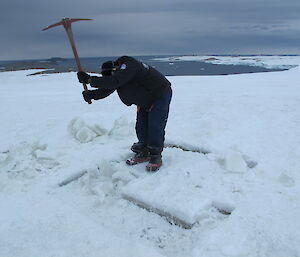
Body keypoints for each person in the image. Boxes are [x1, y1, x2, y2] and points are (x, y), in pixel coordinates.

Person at [77, 56, 172, 172]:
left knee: (155, 125)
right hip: (145, 97)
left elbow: (114, 81)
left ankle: (155, 155)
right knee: (141, 125)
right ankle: (144, 150)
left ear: (115, 70)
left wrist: (90, 80)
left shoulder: (129, 66)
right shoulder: (120, 75)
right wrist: (91, 95)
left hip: (159, 94)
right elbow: (109, 87)